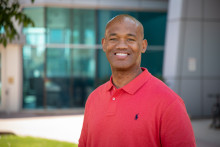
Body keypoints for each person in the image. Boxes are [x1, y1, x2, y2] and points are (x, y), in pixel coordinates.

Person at [78, 14, 196, 147]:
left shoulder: (169, 103)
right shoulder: (94, 98)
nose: (121, 45)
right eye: (113, 38)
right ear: (104, 44)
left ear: (143, 46)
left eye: (130, 39)